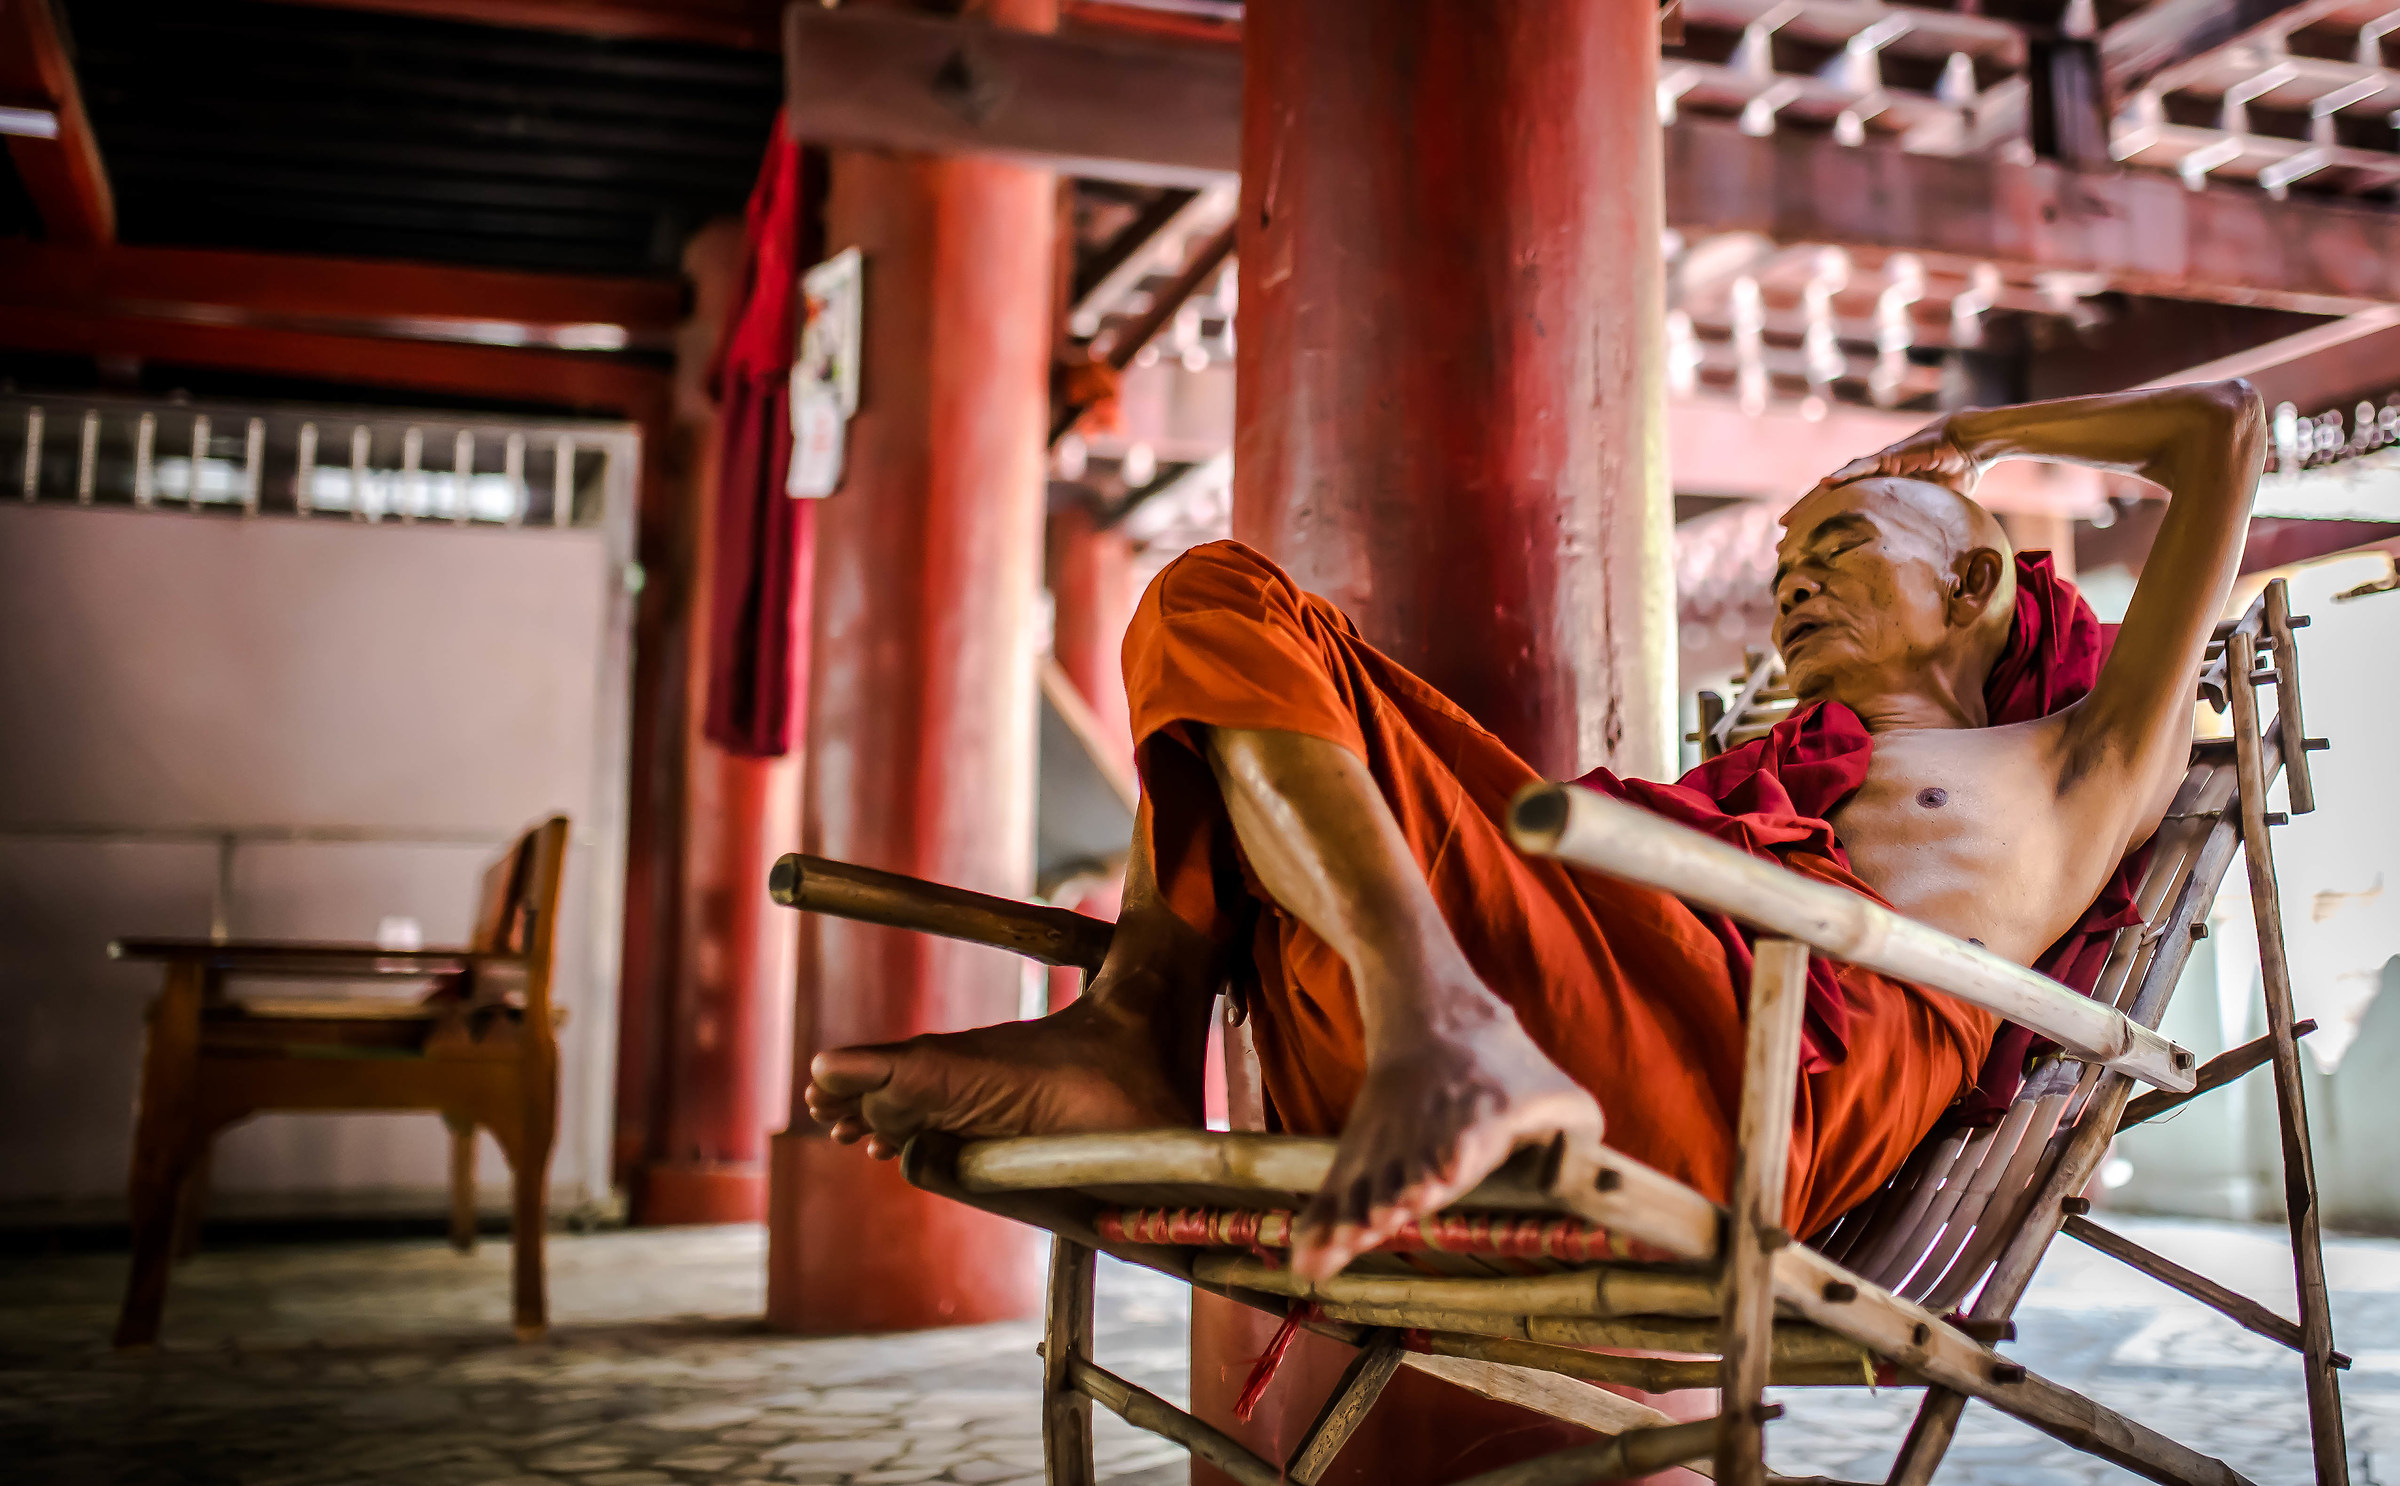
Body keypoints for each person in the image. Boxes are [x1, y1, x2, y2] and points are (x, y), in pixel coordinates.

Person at [806, 381, 2265, 1283]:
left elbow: (2225, 433)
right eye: (1784, 571)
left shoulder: (2070, 768)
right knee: (1217, 602)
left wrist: (1978, 436)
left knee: (1243, 627)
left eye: (1839, 550)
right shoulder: (1760, 776)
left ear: (1974, 589)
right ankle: (1142, 1030)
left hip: (1718, 1091)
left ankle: (1434, 1022)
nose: (1795, 588)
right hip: (1544, 1013)